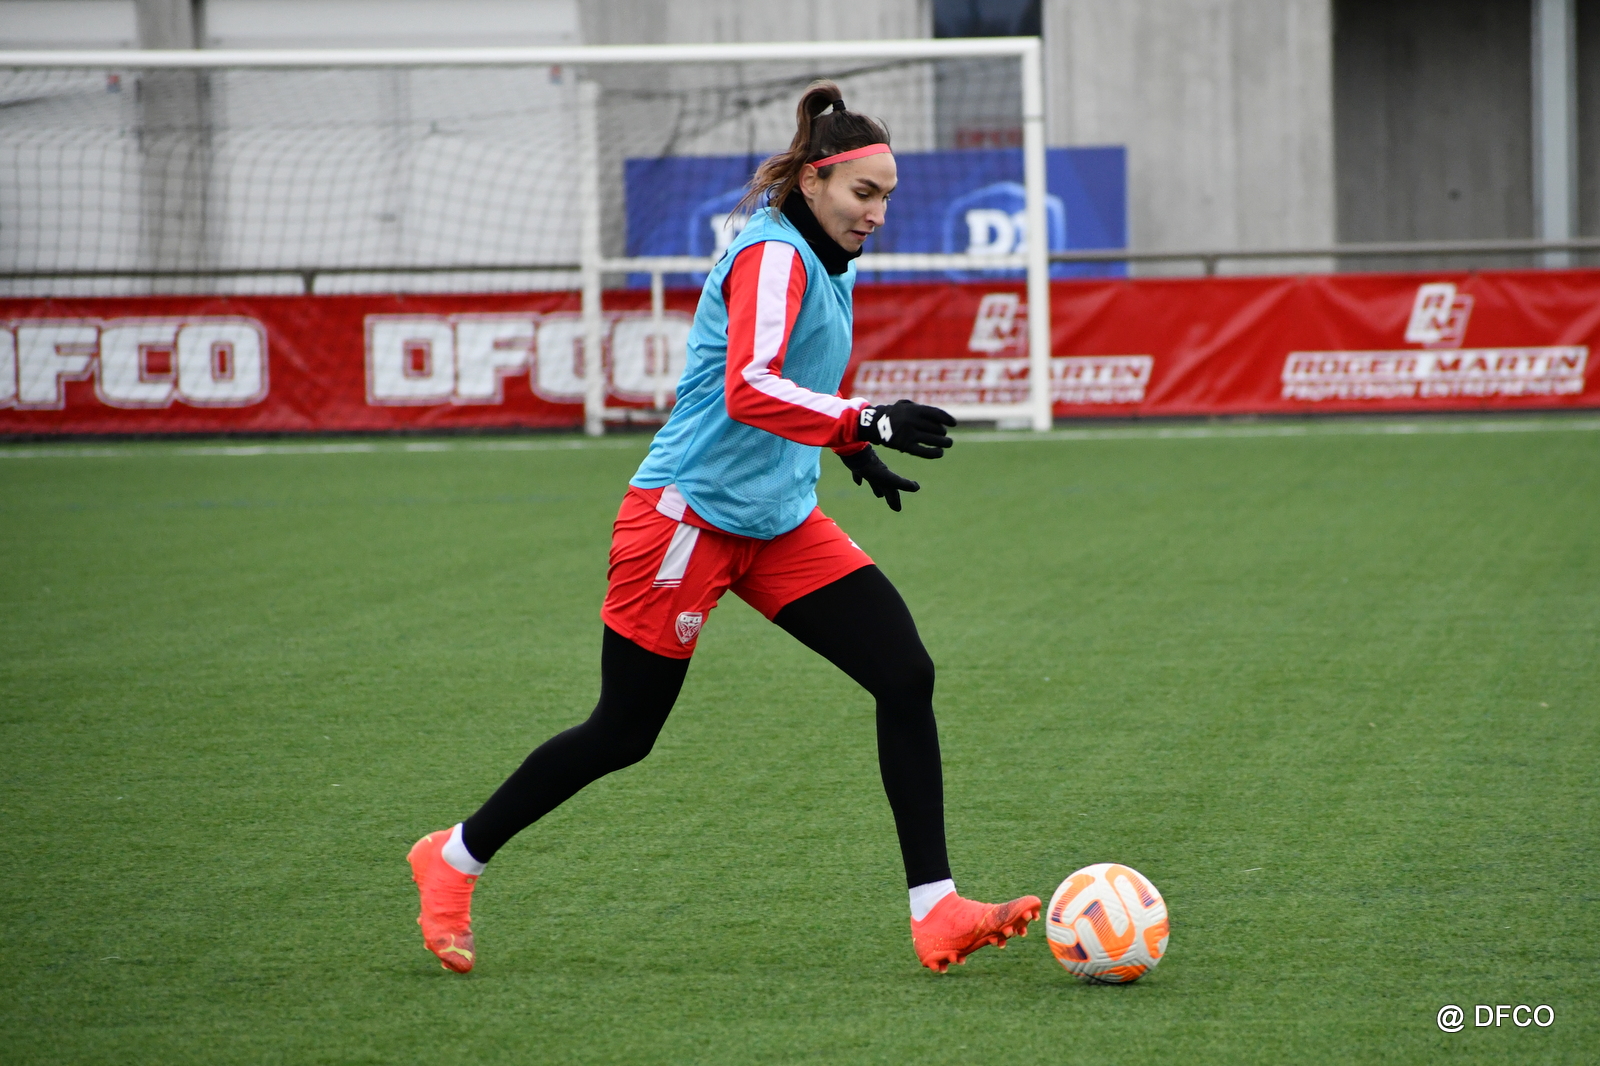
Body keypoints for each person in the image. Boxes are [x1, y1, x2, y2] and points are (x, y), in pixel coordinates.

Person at [408, 80, 1039, 976]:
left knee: (904, 674)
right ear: (814, 182)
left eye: (887, 197)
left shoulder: (828, 256)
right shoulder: (774, 255)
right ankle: (455, 856)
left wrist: (852, 452)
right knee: (623, 732)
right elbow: (748, 387)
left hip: (778, 523)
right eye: (864, 193)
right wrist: (866, 419)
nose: (877, 213)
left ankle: (936, 912)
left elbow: (795, 378)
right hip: (686, 519)